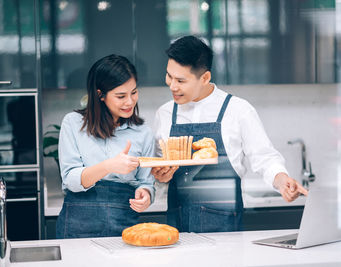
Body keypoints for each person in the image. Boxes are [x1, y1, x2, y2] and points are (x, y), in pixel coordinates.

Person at [151, 36, 308, 233]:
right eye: (169, 76)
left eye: (181, 80)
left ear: (205, 78)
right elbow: (157, 169)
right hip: (176, 232)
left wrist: (282, 180)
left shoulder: (238, 110)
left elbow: (265, 159)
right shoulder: (165, 114)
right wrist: (159, 176)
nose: (172, 86)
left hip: (225, 233)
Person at [56, 54, 155, 238]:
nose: (130, 101)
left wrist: (146, 194)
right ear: (100, 94)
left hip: (124, 226)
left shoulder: (143, 132)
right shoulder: (73, 123)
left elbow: (146, 182)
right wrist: (109, 166)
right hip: (78, 226)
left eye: (134, 92)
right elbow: (70, 179)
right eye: (121, 96)